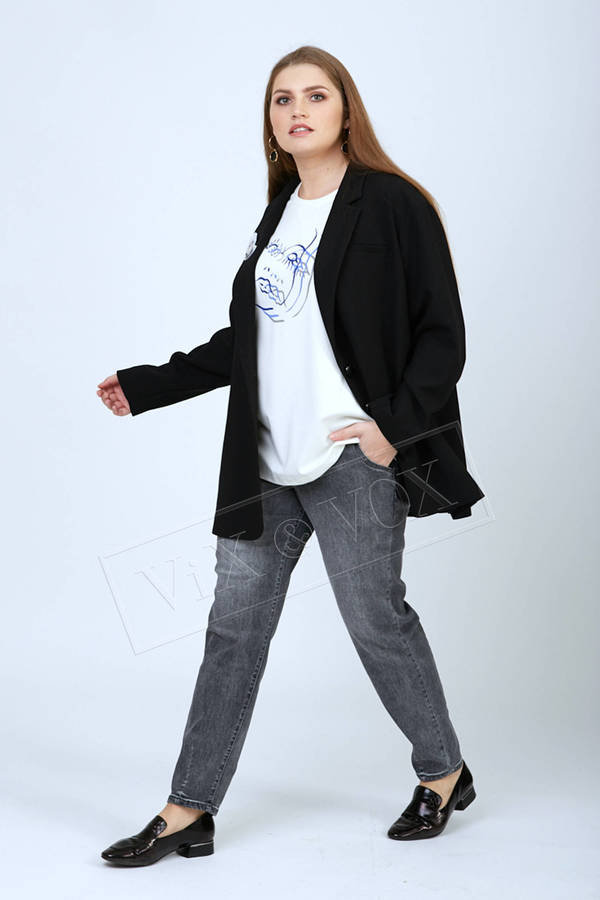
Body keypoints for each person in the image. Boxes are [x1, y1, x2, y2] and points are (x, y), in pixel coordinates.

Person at [97, 45, 481, 867]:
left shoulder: (392, 203)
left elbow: (441, 332)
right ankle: (188, 807)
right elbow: (253, 339)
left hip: (352, 461)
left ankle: (443, 771)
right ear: (270, 121)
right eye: (282, 99)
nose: (297, 110)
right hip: (265, 462)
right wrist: (149, 384)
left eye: (315, 95)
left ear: (346, 109)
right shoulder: (277, 215)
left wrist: (390, 430)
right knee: (232, 632)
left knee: (375, 621)